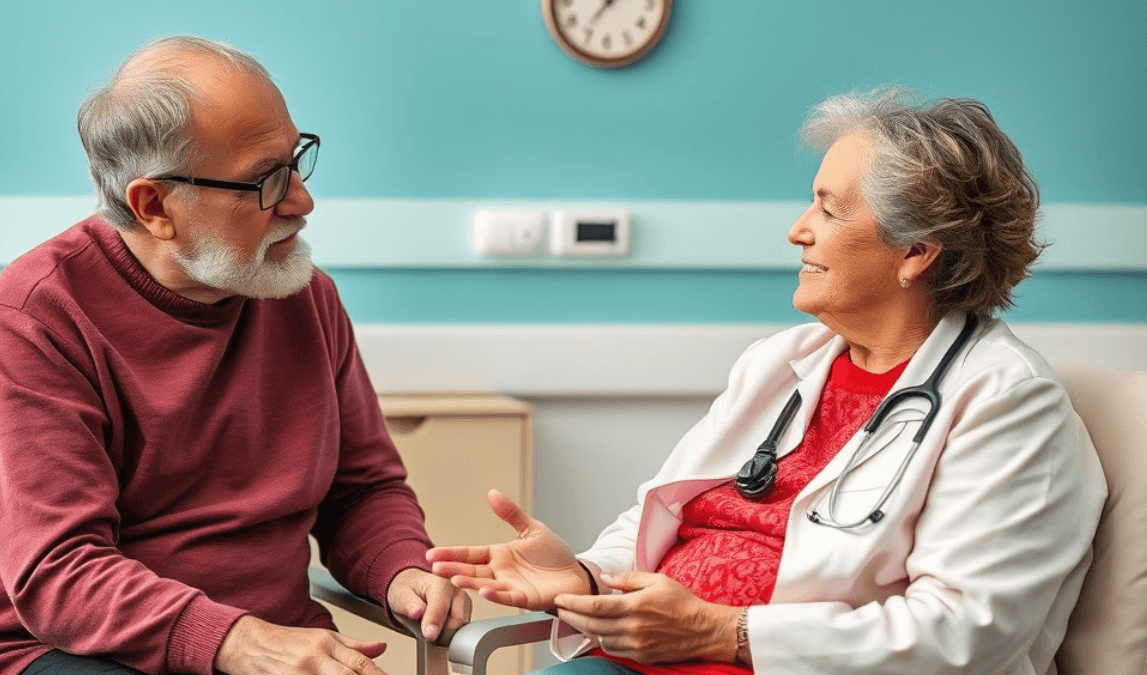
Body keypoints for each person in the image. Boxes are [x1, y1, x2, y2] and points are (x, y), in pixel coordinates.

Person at [428, 89, 1107, 675]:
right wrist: (584, 575)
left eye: (829, 210)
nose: (797, 231)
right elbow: (667, 516)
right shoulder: (783, 360)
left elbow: (967, 630)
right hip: (642, 660)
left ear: (916, 252)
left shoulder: (1005, 399)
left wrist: (725, 631)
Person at [0, 36, 469, 675]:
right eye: (264, 181)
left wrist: (400, 568)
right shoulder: (35, 317)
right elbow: (60, 575)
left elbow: (361, 490)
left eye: (296, 161)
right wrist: (240, 642)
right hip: (66, 649)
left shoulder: (306, 296)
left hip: (270, 644)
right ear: (155, 206)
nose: (302, 202)